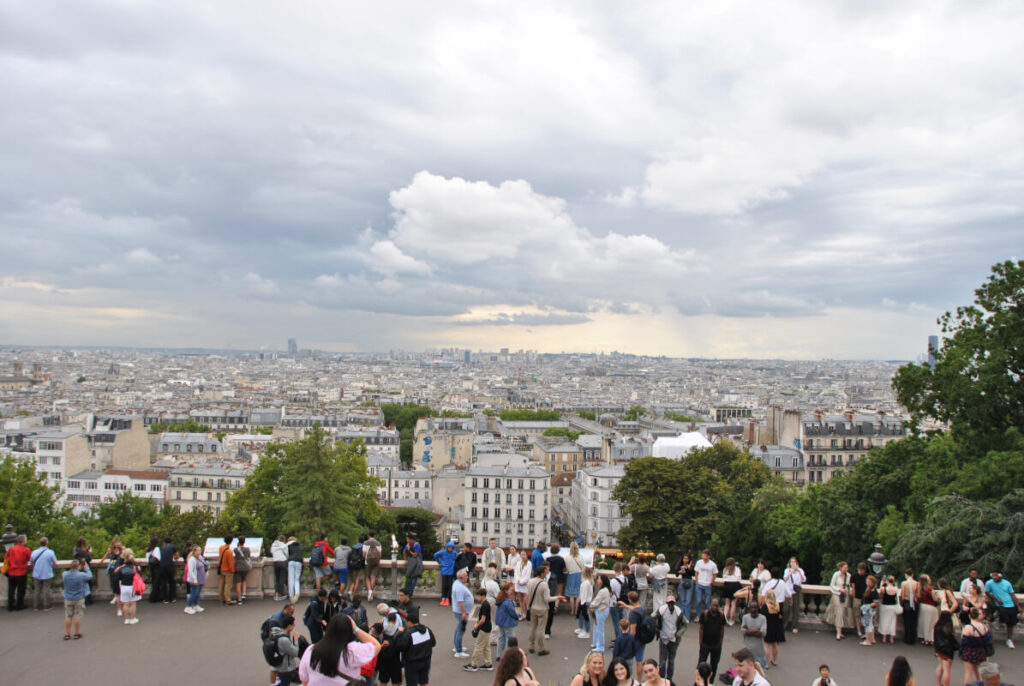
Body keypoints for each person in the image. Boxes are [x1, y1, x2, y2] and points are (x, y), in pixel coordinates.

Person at [299, 613, 382, 684]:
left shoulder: (311, 650)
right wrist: (355, 628)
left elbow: (304, 679)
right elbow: (376, 645)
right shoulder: (353, 652)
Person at [527, 564, 563, 655]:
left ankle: (531, 645)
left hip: (533, 607)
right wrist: (557, 597)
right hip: (542, 608)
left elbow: (528, 595)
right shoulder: (544, 584)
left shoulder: (530, 582)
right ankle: (541, 648)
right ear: (542, 574)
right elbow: (547, 599)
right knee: (541, 629)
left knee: (532, 628)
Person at [397, 608, 436, 686]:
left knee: (412, 683)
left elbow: (401, 647)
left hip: (412, 663)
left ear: (410, 622)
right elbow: (433, 643)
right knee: (424, 682)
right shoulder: (427, 630)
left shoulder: (409, 633)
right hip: (426, 660)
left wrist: (399, 634)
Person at [984, 571, 1018, 649]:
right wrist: (996, 599)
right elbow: (987, 592)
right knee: (1003, 615)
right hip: (1000, 605)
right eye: (993, 576)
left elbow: (1012, 594)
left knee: (1010, 623)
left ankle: (1009, 639)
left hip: (1010, 604)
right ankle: (999, 619)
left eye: (996, 576)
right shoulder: (989, 583)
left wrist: (1018, 606)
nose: (994, 578)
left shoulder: (1007, 583)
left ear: (1000, 576)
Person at [656, 594, 685, 680]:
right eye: (669, 603)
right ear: (667, 603)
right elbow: (653, 616)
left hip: (673, 640)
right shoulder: (662, 610)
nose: (671, 605)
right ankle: (661, 679)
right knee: (662, 662)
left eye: (672, 603)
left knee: (671, 661)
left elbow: (685, 624)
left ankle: (669, 679)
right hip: (664, 638)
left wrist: (679, 633)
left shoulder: (679, 612)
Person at [61, 558, 92, 640]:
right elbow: (90, 576)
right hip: (78, 597)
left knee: (68, 616)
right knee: (77, 615)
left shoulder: (65, 574)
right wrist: (87, 568)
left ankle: (67, 633)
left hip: (68, 597)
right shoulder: (81, 575)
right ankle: (76, 633)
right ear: (78, 566)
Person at [269, 613, 304, 685]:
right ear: (289, 626)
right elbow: (295, 652)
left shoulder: (276, 633)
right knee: (285, 683)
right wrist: (296, 640)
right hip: (285, 668)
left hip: (279, 665)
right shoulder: (284, 639)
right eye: (293, 624)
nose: (294, 626)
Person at [960, 608, 993, 684]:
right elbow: (988, 639)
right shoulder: (985, 627)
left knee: (969, 673)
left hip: (969, 651)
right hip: (980, 651)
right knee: (979, 672)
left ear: (970, 616)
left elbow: (964, 640)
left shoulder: (968, 627)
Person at [465, 587, 494, 671]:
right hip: (488, 627)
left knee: (478, 646)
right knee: (486, 646)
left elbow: (483, 619)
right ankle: (488, 663)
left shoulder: (484, 605)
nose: (477, 598)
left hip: (484, 628)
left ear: (482, 596)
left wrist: (476, 625)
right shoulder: (486, 604)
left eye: (478, 596)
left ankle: (473, 664)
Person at [697, 598, 725, 684]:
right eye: (714, 605)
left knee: (714, 665)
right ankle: (699, 681)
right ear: (710, 605)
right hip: (705, 644)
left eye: (717, 606)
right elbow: (701, 628)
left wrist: (720, 642)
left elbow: (722, 629)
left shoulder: (721, 615)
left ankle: (710, 682)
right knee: (701, 664)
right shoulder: (705, 614)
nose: (715, 608)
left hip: (716, 645)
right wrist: (701, 642)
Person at [825, 561, 852, 640]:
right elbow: (832, 585)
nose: (846, 569)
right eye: (845, 568)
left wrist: (848, 589)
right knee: (839, 612)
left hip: (845, 596)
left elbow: (849, 585)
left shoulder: (848, 575)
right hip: (837, 594)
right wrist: (839, 589)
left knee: (843, 612)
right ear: (841, 568)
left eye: (847, 568)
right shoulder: (836, 574)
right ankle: (838, 633)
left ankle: (840, 631)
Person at [3, 533, 31, 611]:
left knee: (11, 590)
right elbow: (30, 558)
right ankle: (19, 605)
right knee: (21, 590)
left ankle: (10, 605)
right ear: (24, 541)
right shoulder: (26, 549)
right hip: (21, 572)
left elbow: (6, 558)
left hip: (11, 572)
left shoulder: (11, 549)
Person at [29, 536, 57, 611]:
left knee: (37, 590)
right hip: (47, 573)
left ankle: (36, 606)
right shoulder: (50, 552)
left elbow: (31, 562)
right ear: (47, 543)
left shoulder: (34, 552)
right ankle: (46, 605)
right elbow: (55, 563)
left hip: (37, 573)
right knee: (46, 589)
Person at [114, 549, 141, 625]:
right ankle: (132, 618)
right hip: (132, 586)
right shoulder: (135, 568)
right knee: (132, 603)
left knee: (125, 604)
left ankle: (126, 619)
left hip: (124, 586)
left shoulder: (121, 568)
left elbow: (117, 578)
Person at [452, 568, 474, 658]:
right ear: (461, 577)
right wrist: (464, 613)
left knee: (459, 628)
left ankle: (457, 647)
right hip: (461, 612)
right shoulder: (459, 587)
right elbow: (460, 601)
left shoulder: (458, 583)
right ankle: (459, 651)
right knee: (461, 630)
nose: (467, 577)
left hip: (459, 611)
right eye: (466, 576)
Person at [739, 602, 766, 671]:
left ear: (758, 608)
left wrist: (749, 631)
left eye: (755, 607)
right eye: (752, 607)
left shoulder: (763, 618)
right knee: (747, 672)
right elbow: (743, 632)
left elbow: (763, 633)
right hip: (748, 652)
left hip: (759, 652)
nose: (753, 609)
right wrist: (756, 630)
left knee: (761, 673)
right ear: (749, 609)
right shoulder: (745, 617)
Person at [933, 610, 958, 686]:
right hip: (947, 651)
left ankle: (938, 683)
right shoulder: (948, 628)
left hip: (939, 649)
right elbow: (951, 640)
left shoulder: (937, 626)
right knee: (947, 669)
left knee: (940, 666)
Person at [761, 589, 784, 668]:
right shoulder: (778, 605)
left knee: (767, 645)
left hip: (768, 626)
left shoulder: (765, 606)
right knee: (775, 644)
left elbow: (762, 616)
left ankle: (766, 663)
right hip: (776, 627)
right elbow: (781, 615)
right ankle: (775, 660)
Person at [99, 536, 123, 611]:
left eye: (118, 542)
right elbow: (106, 556)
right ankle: (115, 596)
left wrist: (122, 548)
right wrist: (101, 561)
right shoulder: (111, 550)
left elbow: (127, 555)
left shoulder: (122, 549)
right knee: (113, 582)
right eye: (115, 543)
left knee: (119, 583)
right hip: (112, 567)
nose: (117, 544)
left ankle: (119, 596)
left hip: (119, 568)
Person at [495, 582, 519, 656]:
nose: (512, 591)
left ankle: (499, 655)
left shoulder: (500, 599)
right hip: (507, 622)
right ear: (506, 591)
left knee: (501, 638)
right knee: (509, 639)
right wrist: (518, 616)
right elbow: (512, 612)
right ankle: (507, 655)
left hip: (501, 622)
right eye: (510, 589)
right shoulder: (508, 602)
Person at [783, 557, 806, 634]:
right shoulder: (787, 570)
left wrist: (798, 571)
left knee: (796, 609)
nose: (793, 563)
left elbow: (804, 580)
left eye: (794, 562)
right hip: (788, 591)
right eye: (791, 562)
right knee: (786, 609)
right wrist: (790, 572)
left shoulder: (800, 570)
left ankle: (794, 626)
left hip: (796, 591)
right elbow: (785, 579)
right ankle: (784, 625)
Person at [592, 573, 614, 651]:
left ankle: (600, 646)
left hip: (601, 609)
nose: (598, 580)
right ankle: (595, 643)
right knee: (597, 627)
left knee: (599, 628)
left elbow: (597, 601)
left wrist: (591, 606)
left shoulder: (603, 591)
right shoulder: (606, 590)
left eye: (599, 579)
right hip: (603, 609)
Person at [693, 550, 717, 619]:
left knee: (707, 601)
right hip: (700, 583)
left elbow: (715, 574)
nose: (703, 556)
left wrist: (711, 582)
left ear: (708, 556)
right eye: (702, 555)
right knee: (698, 600)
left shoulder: (712, 564)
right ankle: (698, 615)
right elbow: (696, 572)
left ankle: (707, 615)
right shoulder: (699, 562)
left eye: (705, 555)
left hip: (707, 585)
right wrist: (697, 581)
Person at [184, 545, 208, 614]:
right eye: (198, 550)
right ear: (194, 551)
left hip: (201, 578)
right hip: (195, 579)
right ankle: (188, 607)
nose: (199, 552)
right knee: (194, 593)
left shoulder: (200, 557)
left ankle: (196, 605)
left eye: (200, 550)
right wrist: (194, 580)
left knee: (198, 593)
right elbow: (190, 571)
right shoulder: (192, 559)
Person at [917, 574, 940, 646]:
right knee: (931, 624)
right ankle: (931, 639)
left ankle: (925, 638)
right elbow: (935, 599)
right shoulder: (930, 589)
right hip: (931, 607)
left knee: (925, 623)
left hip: (923, 606)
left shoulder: (919, 589)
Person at [878, 576, 901, 645]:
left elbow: (880, 594)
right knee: (893, 622)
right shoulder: (895, 589)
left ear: (887, 581)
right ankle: (892, 638)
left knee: (884, 621)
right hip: (893, 606)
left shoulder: (884, 589)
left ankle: (884, 637)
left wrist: (882, 584)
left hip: (885, 606)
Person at [156, 536, 178, 604]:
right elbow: (177, 556)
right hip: (170, 565)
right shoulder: (173, 546)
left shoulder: (161, 547)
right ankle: (172, 598)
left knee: (164, 582)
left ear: (164, 542)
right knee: (172, 582)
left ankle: (165, 598)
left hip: (162, 566)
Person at [720, 558, 742, 626]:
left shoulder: (725, 569)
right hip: (735, 585)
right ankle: (731, 620)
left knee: (727, 604)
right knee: (733, 604)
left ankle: (725, 618)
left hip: (727, 585)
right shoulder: (737, 569)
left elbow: (724, 577)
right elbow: (739, 578)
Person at [849, 562, 869, 639]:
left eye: (862, 571)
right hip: (857, 597)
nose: (861, 572)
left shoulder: (867, 576)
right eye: (860, 570)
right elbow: (853, 586)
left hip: (865, 597)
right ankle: (859, 631)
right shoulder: (854, 576)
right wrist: (853, 591)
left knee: (865, 615)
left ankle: (865, 631)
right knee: (857, 614)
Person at [900, 568, 919, 646]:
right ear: (913, 575)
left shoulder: (904, 583)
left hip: (907, 602)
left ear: (906, 575)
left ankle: (907, 637)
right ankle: (912, 638)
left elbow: (902, 594)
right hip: (914, 602)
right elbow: (917, 594)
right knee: (913, 621)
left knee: (907, 621)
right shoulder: (917, 583)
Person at [859, 574, 879, 646]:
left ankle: (868, 640)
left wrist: (866, 606)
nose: (867, 583)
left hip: (869, 610)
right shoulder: (869, 589)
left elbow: (876, 602)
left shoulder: (873, 591)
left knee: (868, 625)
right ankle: (872, 639)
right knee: (871, 624)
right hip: (870, 609)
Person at [566, 542, 585, 616]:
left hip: (571, 575)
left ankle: (572, 611)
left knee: (571, 596)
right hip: (579, 575)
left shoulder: (567, 557)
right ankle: (577, 611)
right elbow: (583, 567)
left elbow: (567, 568)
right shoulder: (581, 557)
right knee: (578, 595)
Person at [363, 530, 383, 600]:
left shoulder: (365, 543)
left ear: (369, 535)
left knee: (367, 577)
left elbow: (364, 554)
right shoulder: (378, 543)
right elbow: (380, 555)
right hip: (376, 562)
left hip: (367, 562)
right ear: (375, 535)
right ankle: (371, 591)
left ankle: (369, 591)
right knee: (373, 576)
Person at [675, 553, 695, 620]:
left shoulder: (691, 565)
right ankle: (681, 616)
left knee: (688, 600)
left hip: (689, 581)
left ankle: (687, 617)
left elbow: (694, 574)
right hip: (683, 581)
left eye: (686, 558)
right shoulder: (680, 565)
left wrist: (689, 569)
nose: (685, 560)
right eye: (684, 558)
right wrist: (679, 572)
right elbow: (676, 574)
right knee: (682, 600)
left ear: (689, 559)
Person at [514, 548, 533, 618]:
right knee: (520, 599)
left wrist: (522, 582)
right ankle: (523, 613)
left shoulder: (529, 564)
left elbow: (528, 575)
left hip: (525, 583)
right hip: (518, 583)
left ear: (526, 555)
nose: (523, 556)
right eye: (521, 555)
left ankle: (528, 613)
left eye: (524, 554)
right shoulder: (518, 563)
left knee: (527, 599)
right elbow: (516, 573)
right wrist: (518, 580)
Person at [232, 536, 251, 605]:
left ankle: (239, 600)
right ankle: (244, 593)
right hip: (245, 567)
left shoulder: (235, 549)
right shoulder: (247, 549)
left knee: (238, 583)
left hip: (238, 567)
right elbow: (248, 556)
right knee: (244, 579)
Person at [217, 535, 236, 605]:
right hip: (228, 570)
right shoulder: (229, 552)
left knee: (221, 584)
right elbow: (231, 563)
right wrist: (233, 570)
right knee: (228, 585)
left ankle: (221, 598)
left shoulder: (221, 548)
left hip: (221, 568)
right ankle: (228, 599)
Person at [577, 565, 594, 639]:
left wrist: (582, 602)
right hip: (587, 601)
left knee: (585, 616)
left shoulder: (585, 583)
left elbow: (584, 593)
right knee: (583, 616)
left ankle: (586, 631)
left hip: (584, 601)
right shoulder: (589, 582)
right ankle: (582, 629)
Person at [271, 534, 289, 601]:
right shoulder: (284, 545)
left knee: (277, 578)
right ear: (284, 539)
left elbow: (271, 552)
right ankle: (279, 594)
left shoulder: (273, 544)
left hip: (276, 562)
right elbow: (287, 554)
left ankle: (276, 593)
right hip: (283, 561)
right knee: (282, 578)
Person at [286, 535, 303, 602]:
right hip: (299, 562)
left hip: (291, 561)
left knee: (291, 579)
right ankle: (297, 593)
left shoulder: (288, 545)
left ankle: (291, 596)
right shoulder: (300, 546)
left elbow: (287, 554)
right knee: (296, 579)